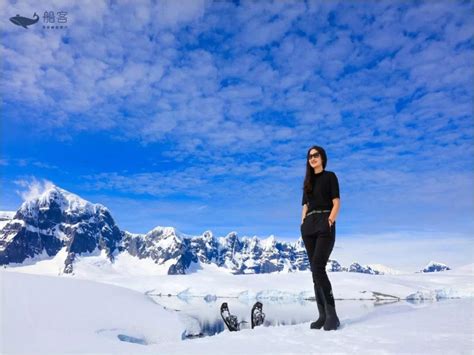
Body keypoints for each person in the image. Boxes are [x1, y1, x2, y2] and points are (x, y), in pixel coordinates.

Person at [300, 145, 341, 331]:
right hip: (309, 225)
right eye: (310, 156)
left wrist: (330, 220)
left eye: (315, 155)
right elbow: (305, 205)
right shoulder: (307, 182)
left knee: (318, 267)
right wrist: (303, 222)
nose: (312, 158)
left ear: (322, 158)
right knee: (314, 271)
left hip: (325, 221)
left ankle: (332, 316)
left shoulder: (330, 176)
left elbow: (336, 202)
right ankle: (322, 315)